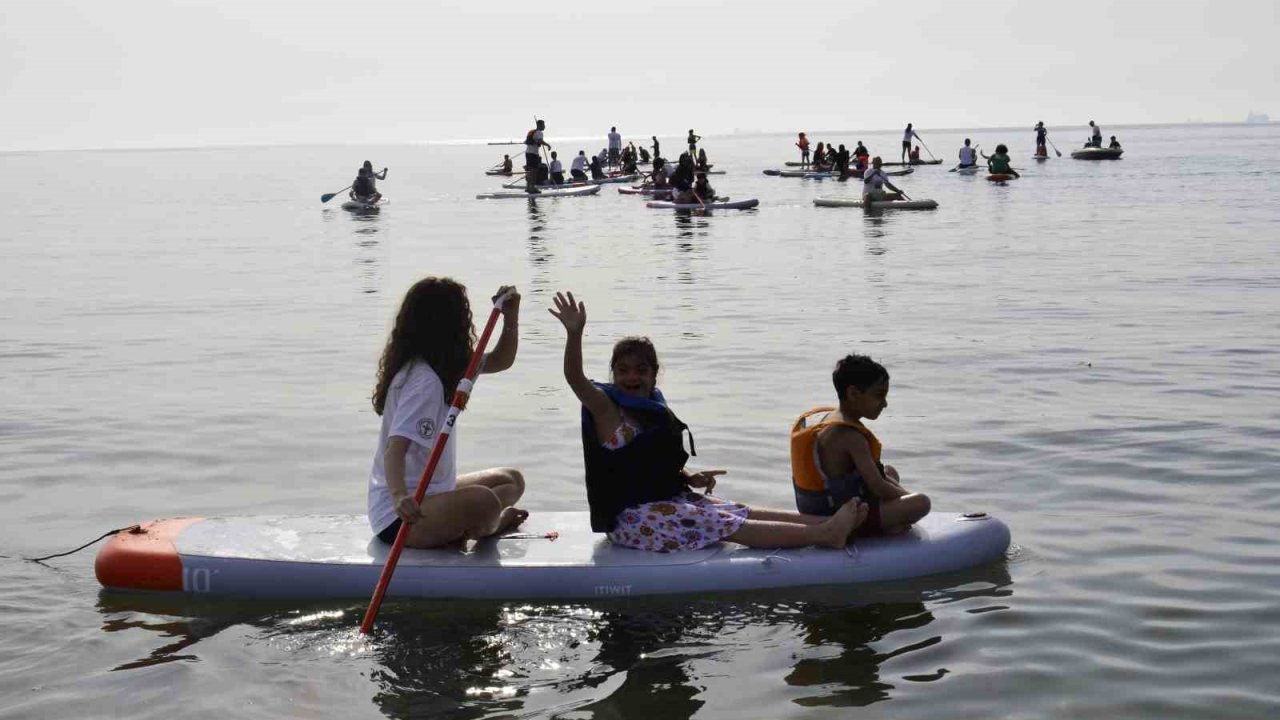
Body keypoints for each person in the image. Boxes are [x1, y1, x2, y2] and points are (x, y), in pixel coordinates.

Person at [548, 291, 866, 552]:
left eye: (641, 370)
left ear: (654, 375)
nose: (632, 377)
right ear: (614, 375)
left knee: (732, 509)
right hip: (630, 519)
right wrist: (575, 333)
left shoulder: (651, 407)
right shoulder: (607, 409)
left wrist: (687, 476)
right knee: (722, 522)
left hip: (663, 502)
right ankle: (825, 534)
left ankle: (832, 521)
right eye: (623, 370)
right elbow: (575, 378)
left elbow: (645, 463)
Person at [367, 277, 527, 548]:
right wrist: (399, 497)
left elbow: (501, 360)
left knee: (511, 480)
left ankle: (464, 523)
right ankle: (494, 524)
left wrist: (510, 318)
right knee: (485, 501)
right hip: (401, 518)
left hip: (434, 492)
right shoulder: (424, 381)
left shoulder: (451, 366)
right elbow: (394, 450)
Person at [790, 354, 931, 536]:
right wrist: (907, 498)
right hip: (839, 517)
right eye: (879, 395)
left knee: (889, 471)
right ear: (854, 394)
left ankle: (889, 521)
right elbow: (878, 486)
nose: (885, 403)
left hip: (819, 508)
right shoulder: (850, 437)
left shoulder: (829, 419)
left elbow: (878, 477)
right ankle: (884, 526)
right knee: (921, 503)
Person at [524, 119, 551, 194]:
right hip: (533, 154)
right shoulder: (539, 132)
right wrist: (548, 145)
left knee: (530, 171)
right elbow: (540, 141)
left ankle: (528, 187)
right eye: (543, 125)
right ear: (540, 125)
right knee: (534, 172)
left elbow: (527, 141)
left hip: (527, 153)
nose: (544, 126)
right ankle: (532, 188)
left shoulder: (531, 131)